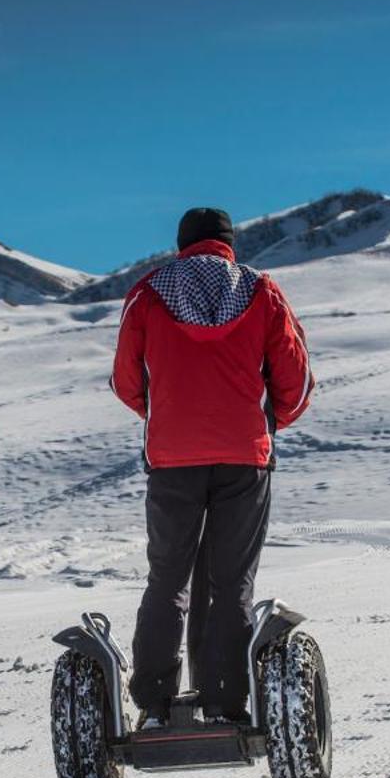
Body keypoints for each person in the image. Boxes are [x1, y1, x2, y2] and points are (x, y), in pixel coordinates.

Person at [111, 207, 315, 726]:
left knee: (168, 578)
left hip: (172, 459)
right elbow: (295, 377)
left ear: (182, 244)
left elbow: (125, 380)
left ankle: (155, 704)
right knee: (231, 582)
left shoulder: (149, 292)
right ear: (229, 244)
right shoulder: (261, 290)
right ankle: (223, 701)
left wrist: (166, 416)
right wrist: (269, 421)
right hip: (244, 458)